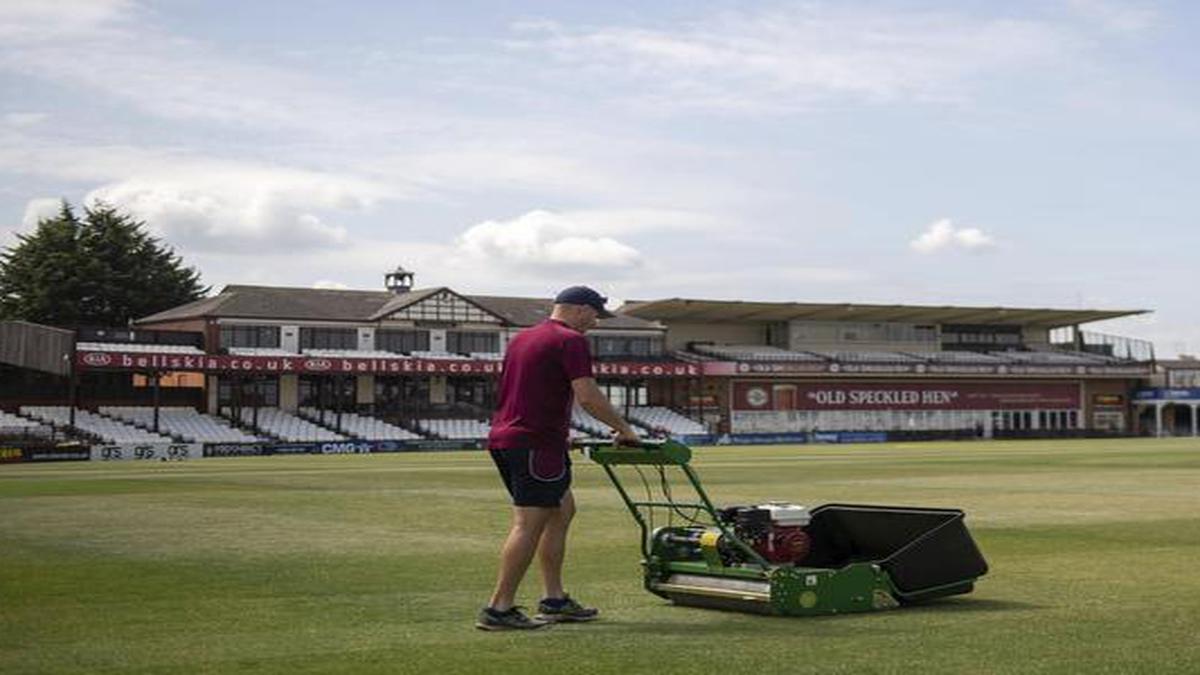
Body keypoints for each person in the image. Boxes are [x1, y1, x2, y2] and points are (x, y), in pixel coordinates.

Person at [476, 285, 641, 631]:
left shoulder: (523, 339)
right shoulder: (570, 340)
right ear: (580, 309)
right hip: (536, 443)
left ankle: (554, 599)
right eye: (595, 315)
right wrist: (625, 430)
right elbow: (589, 396)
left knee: (563, 509)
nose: (595, 323)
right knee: (528, 523)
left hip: (512, 437)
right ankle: (499, 608)